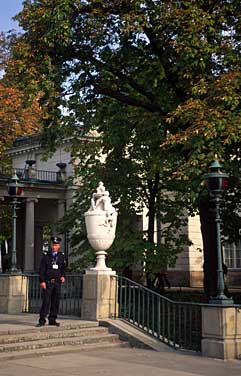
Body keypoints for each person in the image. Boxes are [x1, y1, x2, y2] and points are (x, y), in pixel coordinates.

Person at [36, 236, 66, 327]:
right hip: (48, 282)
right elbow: (42, 270)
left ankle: (52, 319)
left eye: (56, 245)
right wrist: (42, 281)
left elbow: (63, 269)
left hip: (57, 282)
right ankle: (42, 320)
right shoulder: (46, 256)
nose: (54, 246)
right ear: (51, 245)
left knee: (55, 301)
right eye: (53, 244)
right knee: (46, 301)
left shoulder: (61, 256)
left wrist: (63, 276)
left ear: (59, 246)